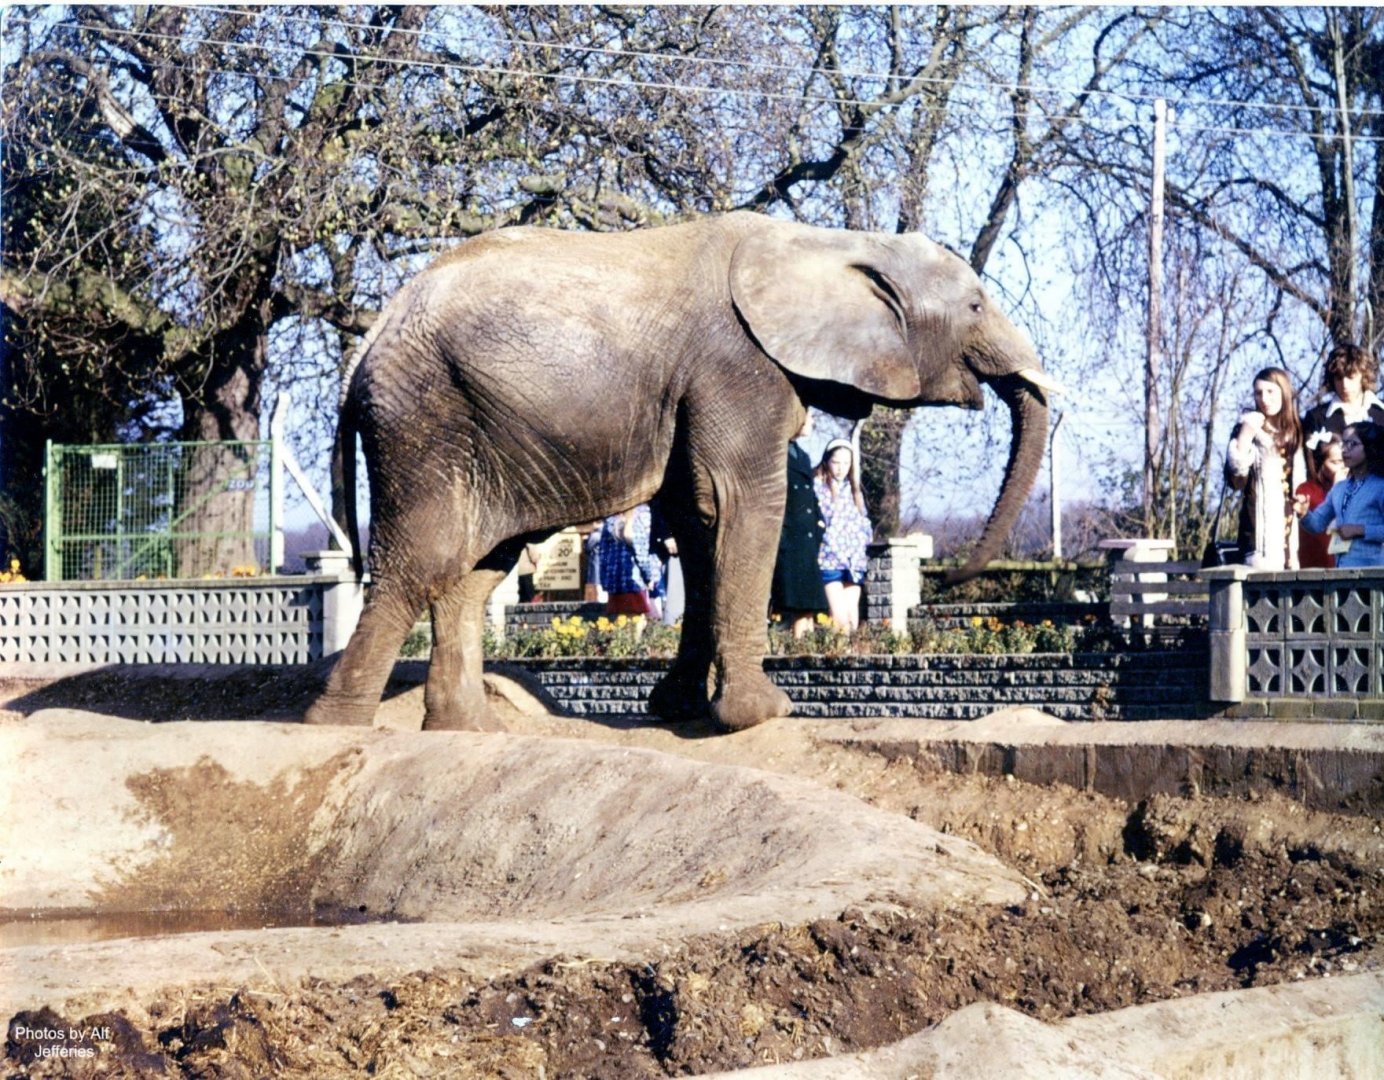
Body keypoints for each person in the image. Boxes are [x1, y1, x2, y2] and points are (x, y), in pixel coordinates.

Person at [1225, 367, 1306, 570]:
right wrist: (1245, 434)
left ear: (1284, 393)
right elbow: (1236, 480)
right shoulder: (1247, 429)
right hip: (1260, 539)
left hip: (1294, 537)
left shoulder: (1298, 432)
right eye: (1258, 393)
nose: (1264, 399)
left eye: (1270, 392)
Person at [770, 411, 829, 638]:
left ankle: (804, 645)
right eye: (809, 417)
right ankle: (798, 646)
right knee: (797, 604)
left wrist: (819, 524)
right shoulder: (778, 453)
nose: (812, 422)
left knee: (808, 607)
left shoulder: (802, 455)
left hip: (806, 540)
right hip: (790, 539)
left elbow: (810, 496)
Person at [1298, 422, 1384, 568]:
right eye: (1343, 443)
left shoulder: (1380, 487)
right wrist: (1304, 513)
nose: (1344, 450)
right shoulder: (1339, 489)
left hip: (1372, 574)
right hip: (1342, 572)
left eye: (1352, 444)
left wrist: (1360, 530)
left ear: (1369, 447)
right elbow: (1317, 524)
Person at [814, 436, 872, 633]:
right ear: (827, 461)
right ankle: (838, 649)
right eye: (836, 462)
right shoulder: (818, 487)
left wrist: (864, 540)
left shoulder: (854, 490)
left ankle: (849, 650)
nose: (841, 468)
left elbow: (864, 521)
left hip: (854, 561)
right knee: (840, 618)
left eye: (846, 463)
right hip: (829, 559)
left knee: (851, 617)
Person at [1301, 343, 1384, 441]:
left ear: (1363, 376)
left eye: (1350, 377)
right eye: (1339, 378)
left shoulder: (1381, 411)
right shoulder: (1316, 418)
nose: (1344, 384)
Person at [597, 504, 661, 616]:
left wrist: (605, 581)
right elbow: (641, 554)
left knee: (620, 622)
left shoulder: (609, 520)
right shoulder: (641, 516)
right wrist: (649, 577)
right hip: (636, 582)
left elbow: (602, 555)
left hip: (615, 584)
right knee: (640, 620)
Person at [1295, 432, 1348, 569]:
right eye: (1335, 462)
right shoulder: (1306, 490)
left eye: (1345, 460)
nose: (1343, 467)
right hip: (1317, 564)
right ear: (1320, 463)